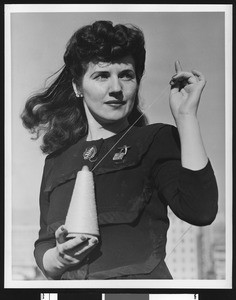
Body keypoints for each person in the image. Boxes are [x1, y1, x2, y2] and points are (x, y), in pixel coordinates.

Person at [21, 20, 218, 280]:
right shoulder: (56, 161)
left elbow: (200, 210)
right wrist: (57, 259)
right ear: (77, 87)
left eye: (126, 75)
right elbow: (44, 242)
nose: (116, 89)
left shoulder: (157, 139)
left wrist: (186, 117)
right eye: (102, 75)